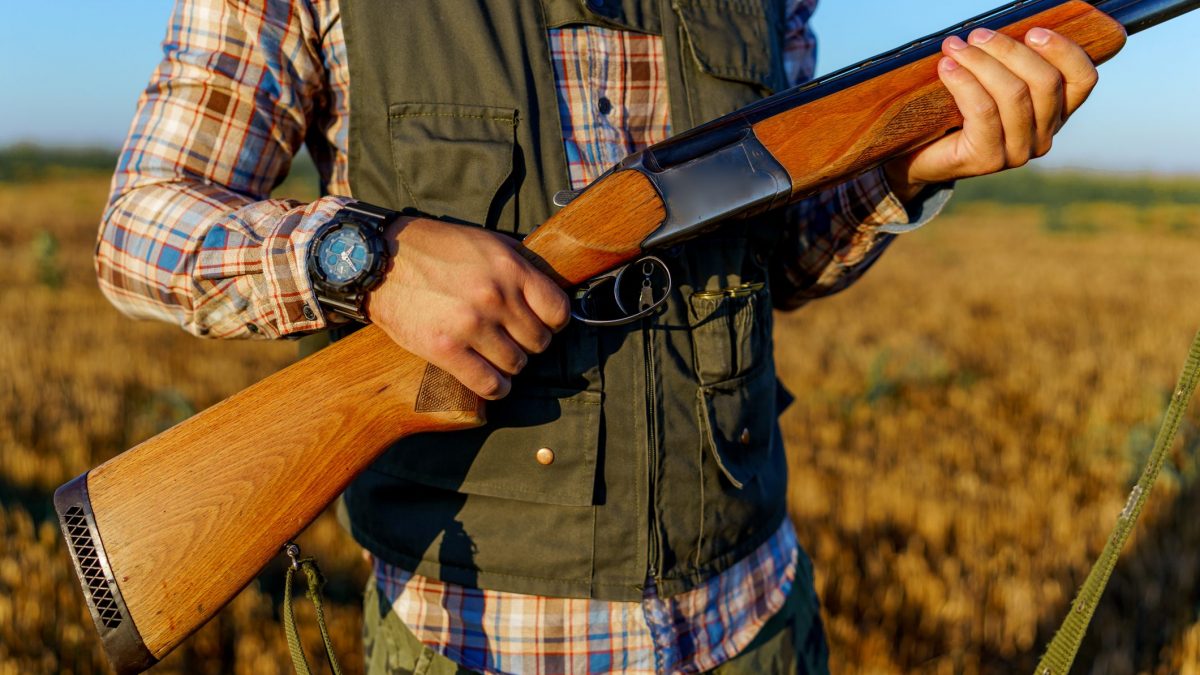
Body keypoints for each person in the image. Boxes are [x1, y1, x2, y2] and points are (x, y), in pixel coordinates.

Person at [96, 0, 1101, 672]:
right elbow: (140, 228)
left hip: (753, 616)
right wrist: (367, 257)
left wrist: (909, 167)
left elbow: (782, 258)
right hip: (474, 642)